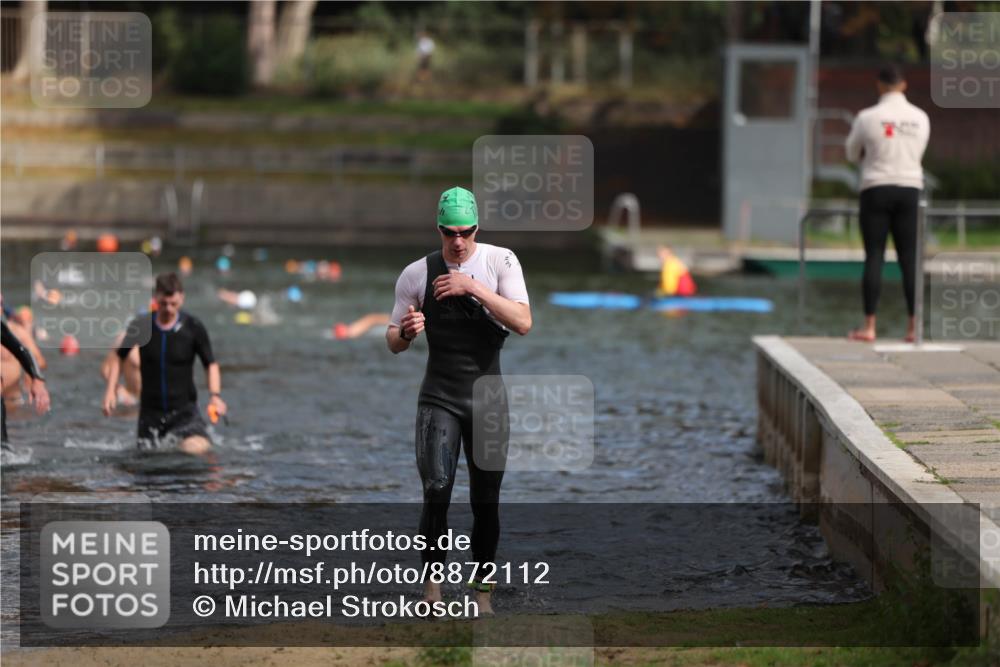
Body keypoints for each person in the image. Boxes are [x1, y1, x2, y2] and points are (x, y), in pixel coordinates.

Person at [387, 186, 531, 616]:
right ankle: (432, 591)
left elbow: (523, 321)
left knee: (486, 500)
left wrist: (472, 288)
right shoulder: (417, 274)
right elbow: (392, 341)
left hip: (488, 400)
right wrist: (408, 331)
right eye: (450, 233)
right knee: (436, 491)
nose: (458, 241)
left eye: (466, 232)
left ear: (476, 229)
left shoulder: (500, 261)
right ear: (439, 229)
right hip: (439, 397)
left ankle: (482, 596)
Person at [845, 64, 930, 343]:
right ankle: (913, 327)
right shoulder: (920, 117)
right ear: (904, 85)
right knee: (909, 258)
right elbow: (919, 151)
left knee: (874, 256)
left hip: (876, 188)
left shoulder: (867, 117)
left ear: (879, 85)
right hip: (909, 189)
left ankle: (869, 327)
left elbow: (850, 152)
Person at [102, 272, 226, 455]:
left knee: (194, 449)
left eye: (173, 304)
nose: (168, 309)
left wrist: (215, 395)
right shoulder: (141, 326)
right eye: (163, 304)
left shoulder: (193, 327)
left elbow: (211, 364)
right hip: (150, 415)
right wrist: (110, 391)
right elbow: (119, 358)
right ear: (155, 299)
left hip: (185, 413)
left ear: (182, 298)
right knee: (149, 467)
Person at [1, 320, 50, 443]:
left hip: (13, 401)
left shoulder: (17, 331)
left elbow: (23, 352)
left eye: (1, 302)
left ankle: (3, 447)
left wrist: (37, 379)